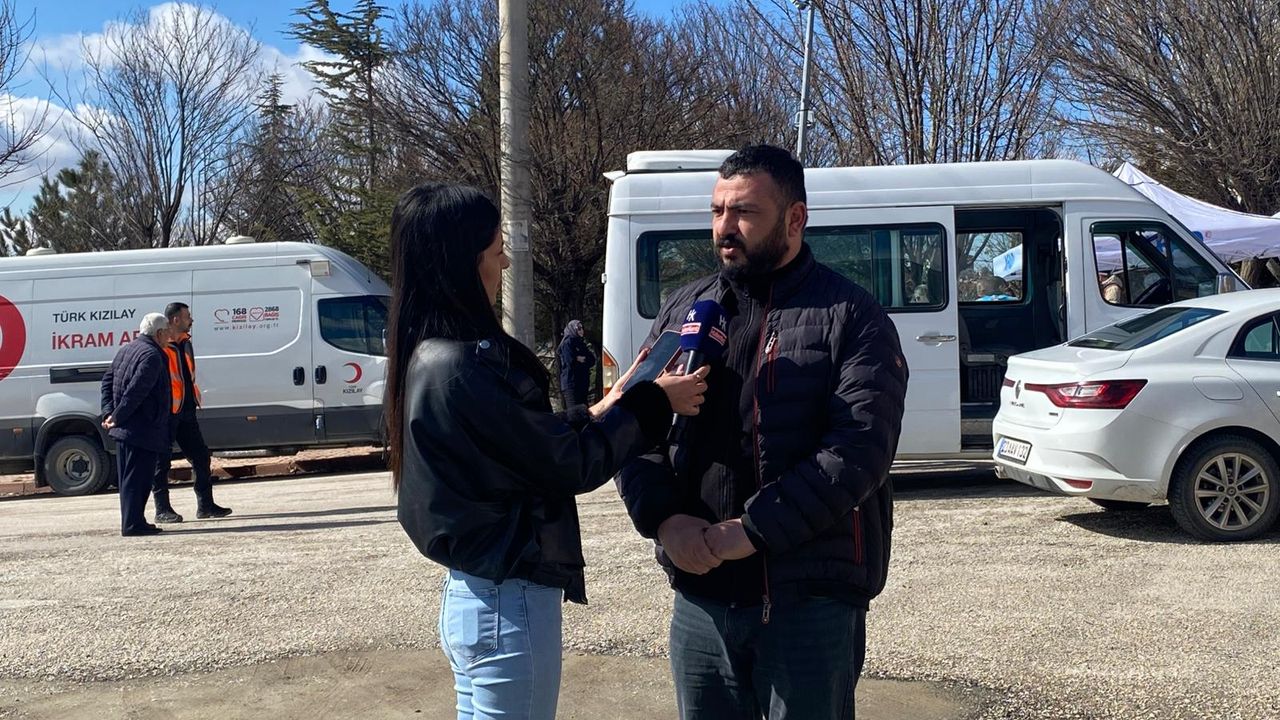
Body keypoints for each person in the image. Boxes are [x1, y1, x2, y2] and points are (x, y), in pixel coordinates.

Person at [386, 183, 709, 720]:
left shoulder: (428, 355)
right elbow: (568, 465)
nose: (505, 262)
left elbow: (520, 445)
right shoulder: (466, 365)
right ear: (462, 262)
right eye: (496, 251)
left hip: (474, 593)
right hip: (507, 599)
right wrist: (654, 402)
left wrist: (602, 408)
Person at [617, 145, 909, 720]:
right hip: (701, 597)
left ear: (795, 219)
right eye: (717, 211)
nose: (725, 227)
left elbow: (858, 452)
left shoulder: (853, 316)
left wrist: (750, 531)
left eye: (744, 212)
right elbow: (635, 426)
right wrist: (665, 520)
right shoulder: (686, 309)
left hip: (808, 603)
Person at [151, 302, 231, 523]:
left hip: (186, 410)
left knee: (201, 457)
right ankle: (162, 510)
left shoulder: (185, 343)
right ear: (175, 320)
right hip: (167, 413)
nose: (192, 320)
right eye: (188, 317)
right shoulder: (161, 347)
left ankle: (206, 506)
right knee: (161, 462)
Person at [101, 313, 174, 537]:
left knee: (129, 479)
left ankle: (134, 520)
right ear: (159, 333)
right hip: (141, 428)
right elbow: (137, 391)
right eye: (167, 332)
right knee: (138, 479)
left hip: (127, 428)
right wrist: (117, 416)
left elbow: (107, 382)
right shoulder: (152, 355)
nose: (169, 336)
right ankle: (133, 524)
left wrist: (109, 412)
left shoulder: (126, 349)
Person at [557, 319, 596, 406]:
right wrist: (577, 358)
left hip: (582, 383)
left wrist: (581, 359)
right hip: (571, 383)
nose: (581, 330)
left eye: (582, 328)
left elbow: (592, 360)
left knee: (584, 410)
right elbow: (569, 361)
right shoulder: (567, 343)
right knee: (574, 410)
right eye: (579, 328)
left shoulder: (581, 343)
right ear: (573, 329)